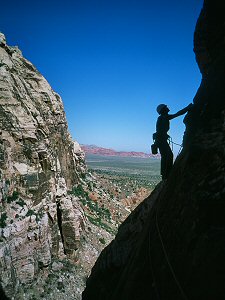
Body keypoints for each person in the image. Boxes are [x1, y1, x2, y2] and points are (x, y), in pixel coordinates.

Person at [153, 103, 192, 180]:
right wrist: (187, 108)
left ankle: (165, 174)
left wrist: (165, 134)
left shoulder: (162, 118)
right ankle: (166, 174)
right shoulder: (163, 117)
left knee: (166, 156)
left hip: (160, 140)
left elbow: (161, 129)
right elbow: (177, 114)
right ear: (163, 110)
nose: (168, 108)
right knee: (168, 156)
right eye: (166, 107)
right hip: (161, 140)